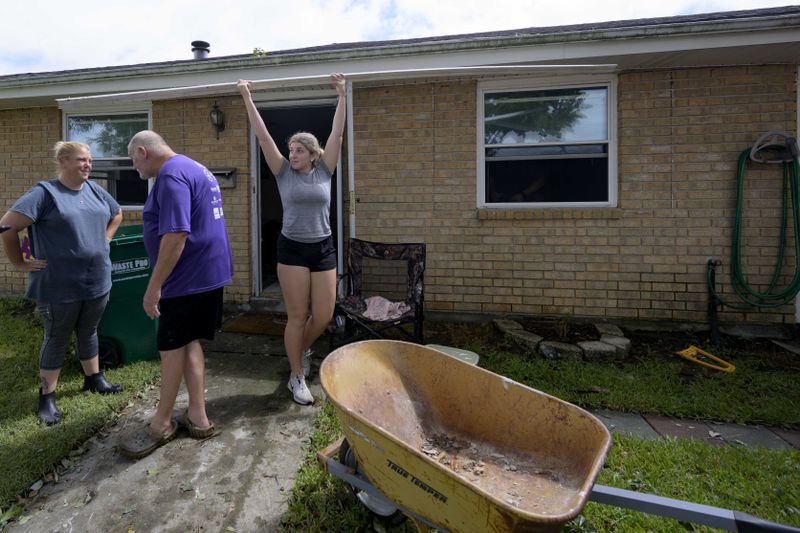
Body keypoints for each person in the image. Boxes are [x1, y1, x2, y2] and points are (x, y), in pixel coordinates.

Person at [118, 131, 233, 459]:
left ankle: (161, 424)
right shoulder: (195, 167)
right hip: (207, 274)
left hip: (186, 279)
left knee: (170, 349)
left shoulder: (170, 176)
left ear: (143, 151)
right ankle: (197, 415)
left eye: (133, 160)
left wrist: (153, 287)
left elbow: (176, 235)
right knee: (189, 341)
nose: (134, 166)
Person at [237, 73, 346, 405]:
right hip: (292, 249)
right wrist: (247, 97)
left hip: (323, 246)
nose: (293, 154)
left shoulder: (325, 170)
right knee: (298, 316)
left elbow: (337, 134)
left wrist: (342, 95)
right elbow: (262, 135)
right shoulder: (283, 172)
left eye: (299, 150)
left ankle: (300, 349)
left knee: (324, 315)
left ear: (313, 154)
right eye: (291, 150)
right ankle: (296, 376)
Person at [0, 141, 124, 425]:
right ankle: (47, 398)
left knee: (89, 329)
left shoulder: (94, 190)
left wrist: (105, 239)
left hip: (96, 279)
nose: (88, 165)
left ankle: (94, 379)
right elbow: (6, 226)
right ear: (64, 161)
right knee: (56, 337)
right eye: (81, 160)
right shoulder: (45, 194)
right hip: (59, 284)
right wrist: (19, 263)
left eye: (90, 160)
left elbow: (116, 213)